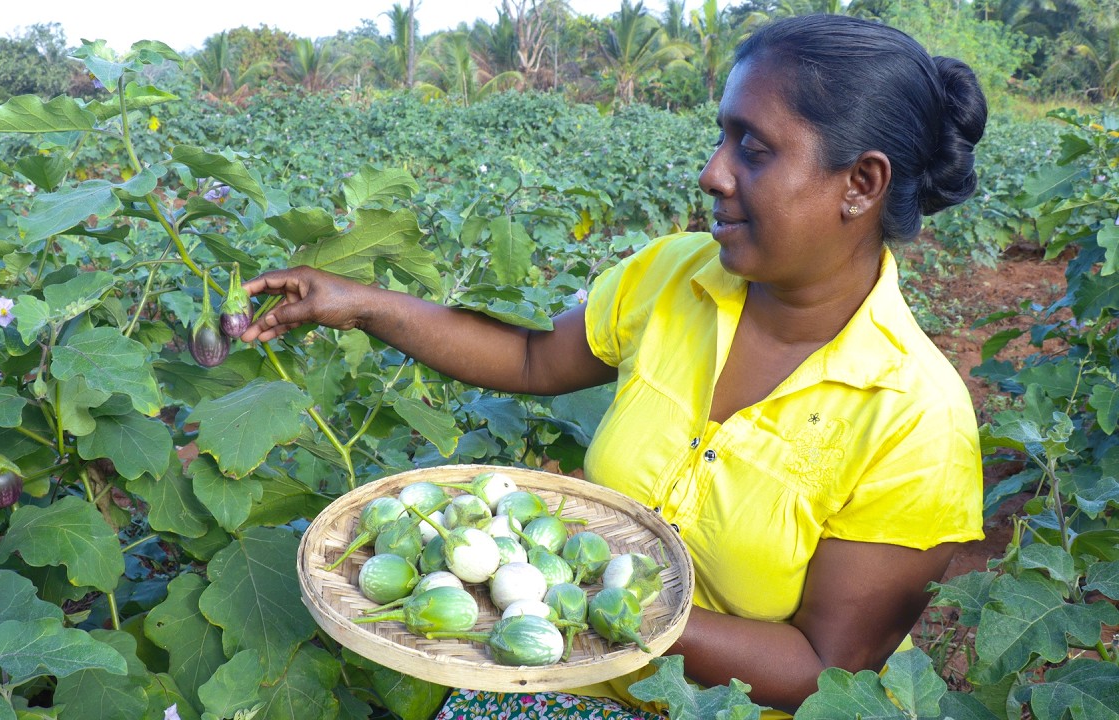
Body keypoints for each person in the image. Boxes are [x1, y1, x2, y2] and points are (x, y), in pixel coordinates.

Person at [239, 14, 988, 718]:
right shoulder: (674, 277)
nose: (712, 174)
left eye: (752, 148)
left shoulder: (917, 419)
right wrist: (363, 304)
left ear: (861, 183)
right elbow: (534, 356)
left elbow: (821, 669)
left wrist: (600, 593)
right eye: (720, 138)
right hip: (572, 676)